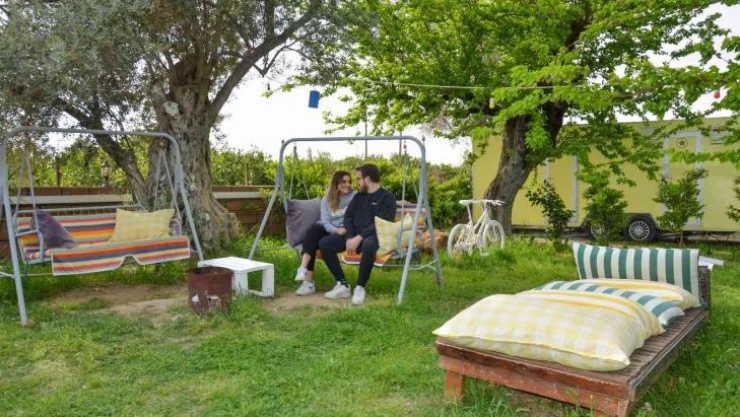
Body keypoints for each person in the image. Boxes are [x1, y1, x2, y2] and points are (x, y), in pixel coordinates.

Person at [319, 163, 396, 305]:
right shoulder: (359, 197)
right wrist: (350, 237)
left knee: (369, 244)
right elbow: (348, 217)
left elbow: (382, 222)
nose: (357, 182)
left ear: (368, 179)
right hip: (353, 236)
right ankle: (342, 284)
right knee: (325, 243)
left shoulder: (387, 198)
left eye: (359, 179)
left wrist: (359, 238)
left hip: (374, 236)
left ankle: (360, 287)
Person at [294, 170, 356, 295]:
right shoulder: (327, 199)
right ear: (336, 183)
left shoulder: (355, 197)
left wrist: (345, 229)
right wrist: (336, 230)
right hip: (332, 229)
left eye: (349, 182)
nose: (347, 184)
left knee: (323, 243)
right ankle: (305, 274)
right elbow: (325, 222)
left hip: (346, 232)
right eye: (344, 182)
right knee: (313, 230)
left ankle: (343, 284)